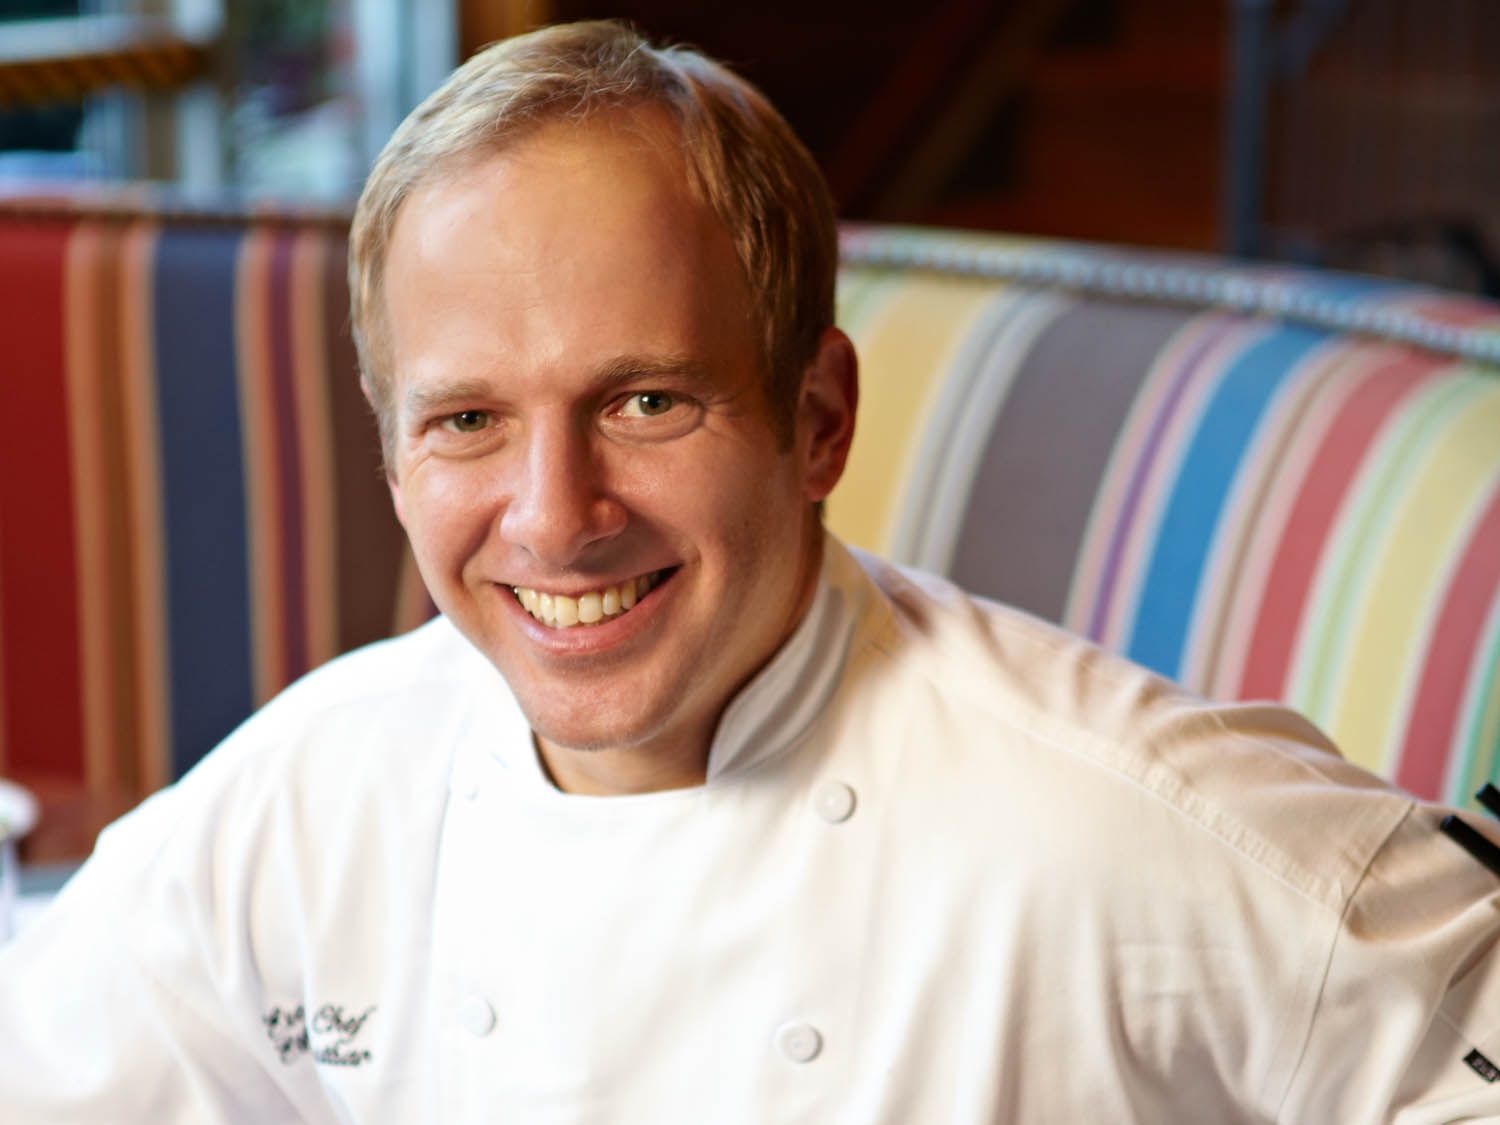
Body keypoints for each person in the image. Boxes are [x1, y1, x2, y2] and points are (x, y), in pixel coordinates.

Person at [3, 19, 1499, 1123]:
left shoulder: (1126, 823)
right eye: (467, 421)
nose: (553, 515)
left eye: (646, 400)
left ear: (819, 417)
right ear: (394, 455)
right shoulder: (311, 800)